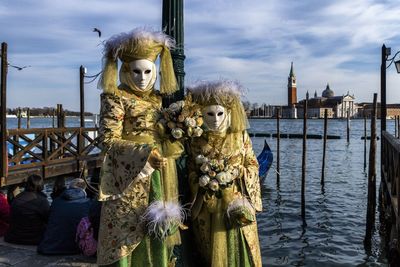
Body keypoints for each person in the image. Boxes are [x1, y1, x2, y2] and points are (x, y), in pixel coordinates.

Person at [96, 28, 183, 266]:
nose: (142, 78)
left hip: (159, 175)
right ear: (125, 70)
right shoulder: (115, 97)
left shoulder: (156, 99)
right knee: (128, 232)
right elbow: (107, 140)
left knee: (157, 227)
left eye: (147, 71)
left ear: (155, 71)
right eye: (136, 71)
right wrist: (145, 154)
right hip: (129, 179)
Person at [187, 80, 263, 267]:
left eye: (220, 113)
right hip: (207, 208)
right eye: (210, 114)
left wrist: (238, 172)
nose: (215, 119)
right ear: (202, 114)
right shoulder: (195, 140)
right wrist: (201, 181)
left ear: (228, 113)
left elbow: (253, 164)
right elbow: (189, 170)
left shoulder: (240, 136)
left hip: (237, 205)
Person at [37, 178, 92, 255]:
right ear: (84, 190)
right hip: (73, 248)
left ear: (69, 187)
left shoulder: (56, 201)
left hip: (48, 247)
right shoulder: (88, 203)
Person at [4, 174, 50, 245]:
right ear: (40, 185)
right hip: (34, 238)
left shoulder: (17, 198)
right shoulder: (41, 200)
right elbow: (48, 219)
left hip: (13, 237)